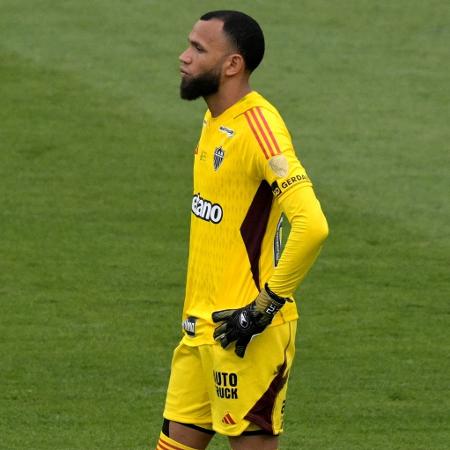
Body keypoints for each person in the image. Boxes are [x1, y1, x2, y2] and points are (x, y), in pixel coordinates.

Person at [155, 10, 329, 450]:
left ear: (232, 65)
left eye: (198, 49)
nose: (183, 57)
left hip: (246, 334)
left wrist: (264, 307)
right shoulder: (216, 119)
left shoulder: (259, 128)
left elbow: (311, 225)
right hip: (200, 331)